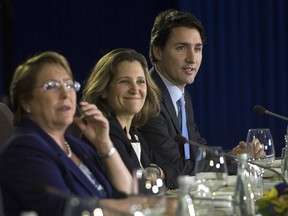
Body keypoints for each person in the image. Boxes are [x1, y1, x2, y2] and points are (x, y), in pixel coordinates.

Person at [139, 9, 264, 189]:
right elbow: (175, 166)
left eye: (197, 49)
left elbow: (197, 151)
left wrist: (234, 157)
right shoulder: (148, 97)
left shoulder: (181, 94)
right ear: (157, 52)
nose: (192, 58)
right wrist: (231, 163)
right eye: (181, 47)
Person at [0, 51, 133, 216]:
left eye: (70, 85)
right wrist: (135, 208)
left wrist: (104, 144)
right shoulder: (23, 149)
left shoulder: (77, 146)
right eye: (52, 86)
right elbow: (65, 210)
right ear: (26, 102)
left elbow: (126, 192)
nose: (65, 94)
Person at [81, 48, 166, 182]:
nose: (135, 89)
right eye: (124, 81)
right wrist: (152, 174)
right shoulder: (105, 131)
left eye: (140, 81)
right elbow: (134, 186)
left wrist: (155, 171)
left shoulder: (133, 133)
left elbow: (172, 170)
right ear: (104, 90)